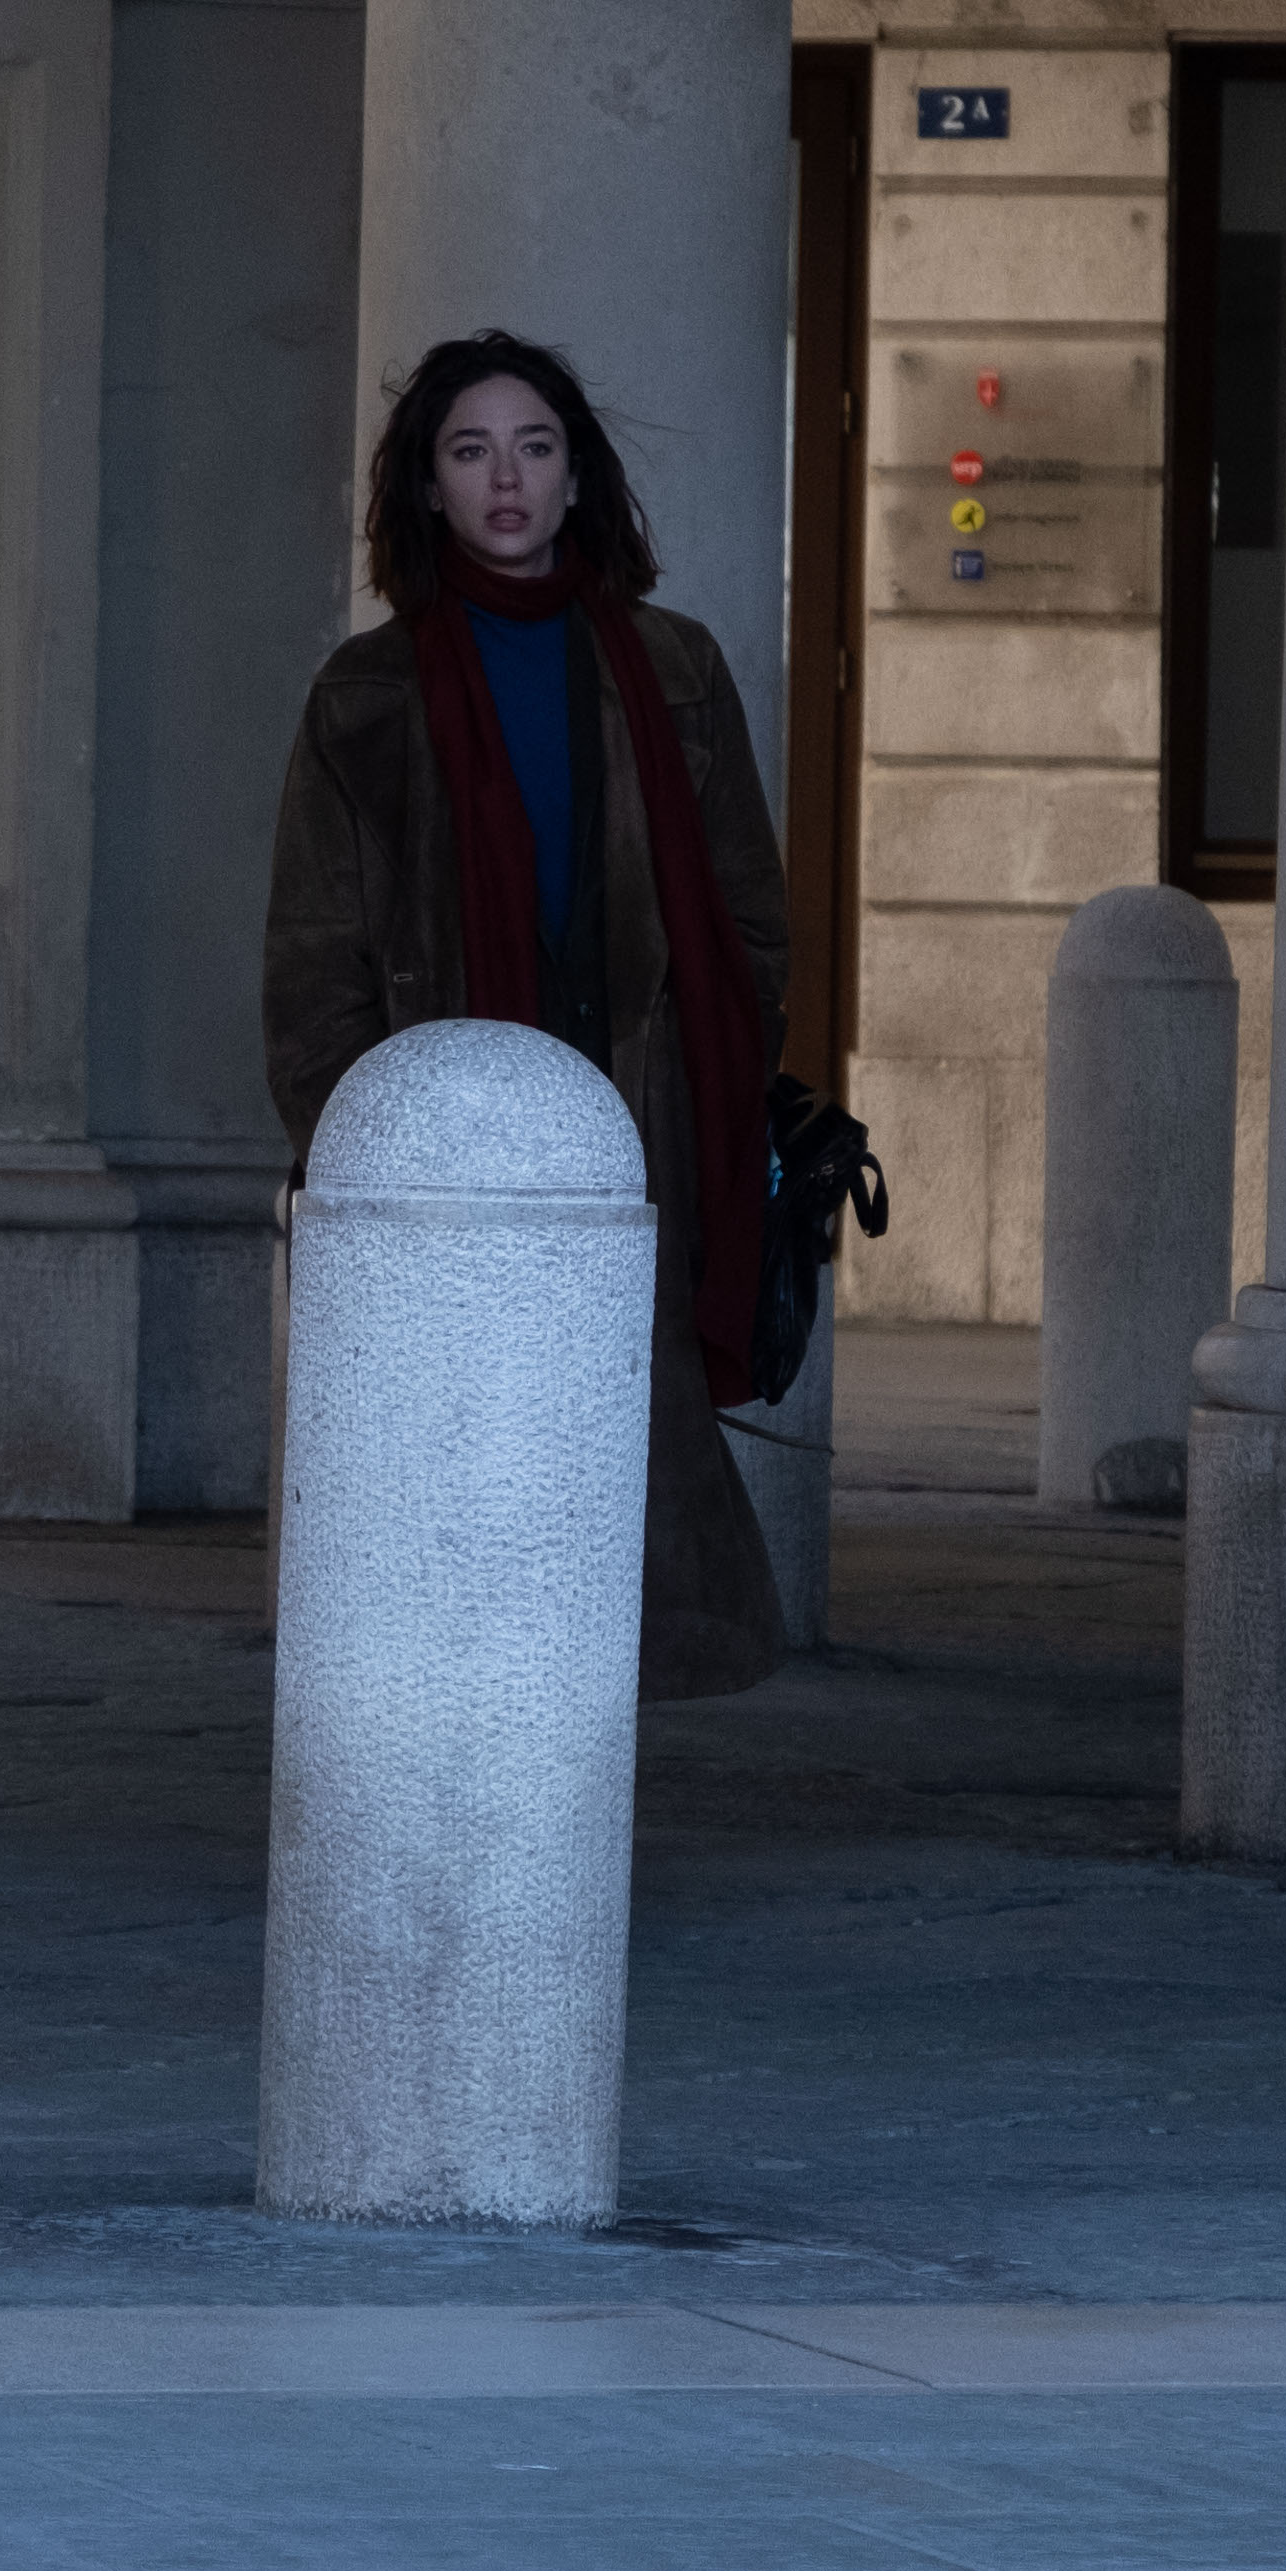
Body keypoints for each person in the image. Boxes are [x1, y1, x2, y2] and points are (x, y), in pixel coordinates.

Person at [265, 332, 797, 1699]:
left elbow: (751, 917)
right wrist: (374, 1146)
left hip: (643, 1129)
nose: (505, 478)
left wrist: (708, 1071)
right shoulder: (365, 695)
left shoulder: (677, 668)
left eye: (535, 446)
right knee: (460, 1458)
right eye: (470, 449)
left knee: (629, 1438)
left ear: (577, 477)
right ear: (426, 486)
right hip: (447, 1148)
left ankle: (598, 1711)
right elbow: (313, 963)